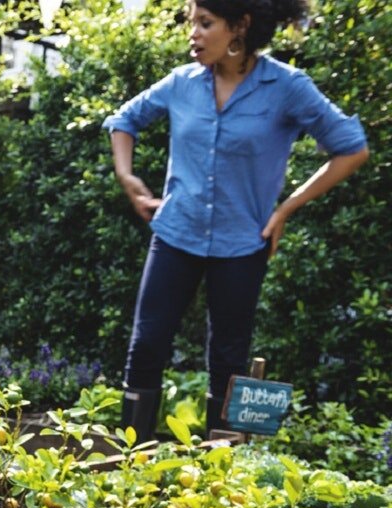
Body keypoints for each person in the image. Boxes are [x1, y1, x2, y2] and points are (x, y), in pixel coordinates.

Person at [103, 0, 368, 441]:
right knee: (147, 345)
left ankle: (219, 476)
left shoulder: (286, 87)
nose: (194, 34)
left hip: (243, 244)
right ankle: (129, 468)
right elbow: (123, 120)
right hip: (175, 234)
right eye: (192, 23)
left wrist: (286, 208)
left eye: (206, 24)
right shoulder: (181, 84)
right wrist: (126, 174)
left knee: (228, 359)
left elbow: (351, 147)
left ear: (240, 27)